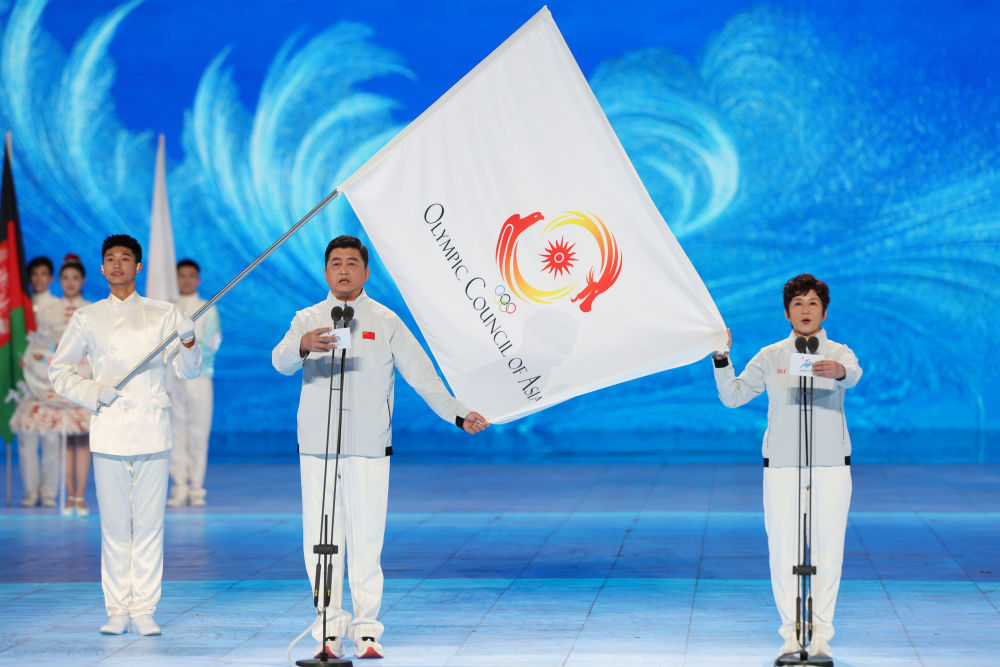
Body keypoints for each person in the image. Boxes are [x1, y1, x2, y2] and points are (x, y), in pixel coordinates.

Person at [272, 235, 489, 660]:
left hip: (369, 448)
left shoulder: (385, 320)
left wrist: (458, 414)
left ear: (366, 272)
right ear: (326, 272)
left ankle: (367, 631)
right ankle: (328, 630)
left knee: (366, 541)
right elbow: (280, 361)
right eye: (336, 263)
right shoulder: (307, 319)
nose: (344, 270)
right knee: (320, 541)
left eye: (352, 263)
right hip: (317, 447)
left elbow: (422, 376)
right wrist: (302, 345)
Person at [49, 234, 200, 636]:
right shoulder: (88, 317)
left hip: (153, 429)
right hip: (110, 429)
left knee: (149, 526)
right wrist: (93, 392)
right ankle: (117, 610)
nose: (118, 265)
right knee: (115, 528)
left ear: (139, 266)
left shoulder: (163, 313)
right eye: (111, 259)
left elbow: (188, 371)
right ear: (102, 268)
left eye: (126, 258)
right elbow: (59, 372)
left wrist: (188, 341)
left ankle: (144, 609)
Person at [711, 274, 861, 661]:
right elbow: (733, 396)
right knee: (782, 550)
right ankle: (792, 637)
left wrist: (838, 371)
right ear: (786, 313)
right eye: (798, 303)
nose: (805, 310)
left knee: (828, 550)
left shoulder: (839, 353)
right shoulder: (771, 356)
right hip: (781, 468)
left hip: (830, 466)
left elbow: (854, 375)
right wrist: (722, 358)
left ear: (824, 311)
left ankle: (821, 637)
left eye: (813, 303)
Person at [12, 255, 90, 509]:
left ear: (83, 280)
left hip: (79, 380)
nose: (70, 283)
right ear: (60, 280)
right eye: (66, 278)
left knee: (64, 438)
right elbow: (39, 343)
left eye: (75, 278)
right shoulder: (49, 310)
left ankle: (58, 494)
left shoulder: (90, 309)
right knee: (38, 434)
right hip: (46, 382)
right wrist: (32, 359)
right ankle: (35, 491)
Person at [166, 258, 222, 507]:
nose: (186, 280)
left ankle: (197, 488)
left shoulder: (208, 308)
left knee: (199, 433)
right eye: (182, 275)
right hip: (173, 378)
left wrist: (190, 357)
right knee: (175, 432)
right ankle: (179, 487)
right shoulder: (168, 308)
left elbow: (213, 342)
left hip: (200, 377)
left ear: (198, 279)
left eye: (191, 275)